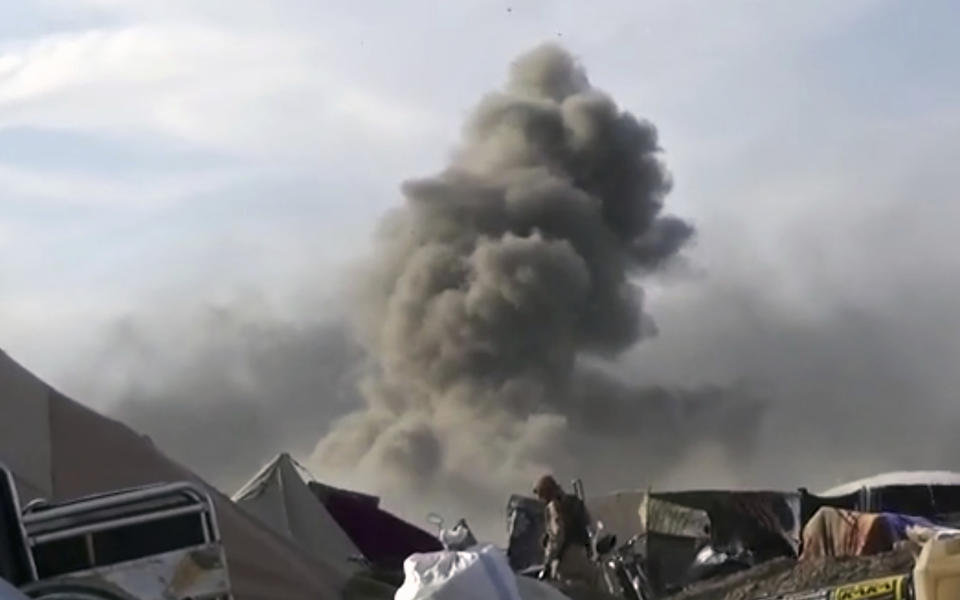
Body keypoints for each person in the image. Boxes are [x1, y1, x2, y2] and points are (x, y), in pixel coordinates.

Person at [533, 474, 598, 587]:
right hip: (585, 557)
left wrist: (548, 562)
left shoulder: (554, 506)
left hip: (567, 560)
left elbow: (557, 536)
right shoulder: (575, 501)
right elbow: (590, 525)